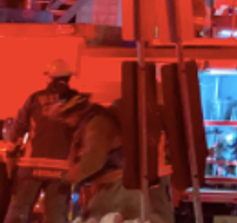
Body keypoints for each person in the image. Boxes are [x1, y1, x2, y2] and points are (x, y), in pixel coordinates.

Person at [53, 95, 173, 223]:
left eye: (65, 118)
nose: (66, 122)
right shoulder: (100, 122)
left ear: (75, 114)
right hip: (127, 187)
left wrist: (67, 179)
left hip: (119, 190)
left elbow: (92, 161)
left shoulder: (98, 124)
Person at [3, 60, 79, 223]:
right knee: (56, 216)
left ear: (49, 78)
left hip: (31, 166)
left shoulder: (35, 99)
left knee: (18, 211)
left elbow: (18, 129)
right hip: (61, 169)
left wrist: (11, 154)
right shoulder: (77, 101)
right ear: (68, 78)